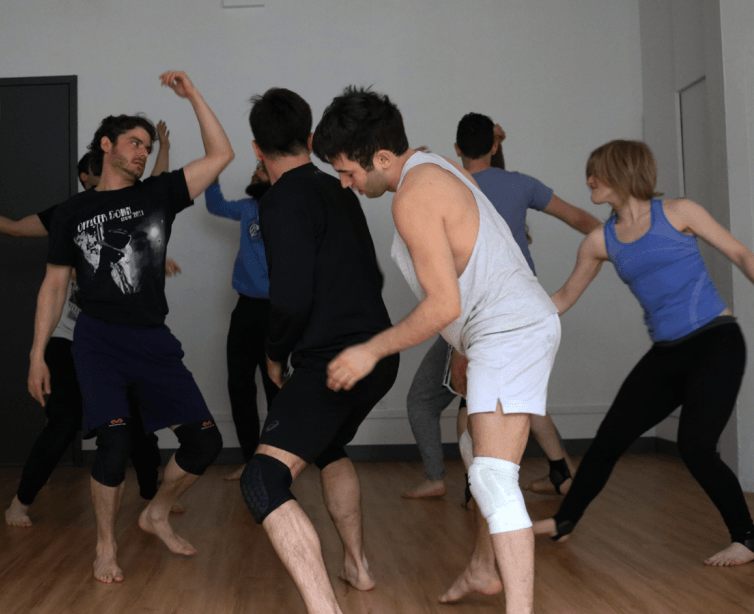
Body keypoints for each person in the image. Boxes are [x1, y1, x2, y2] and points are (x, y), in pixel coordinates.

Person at [316, 87, 561, 614]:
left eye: (348, 171)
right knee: (477, 454)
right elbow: (472, 262)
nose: (345, 182)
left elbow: (443, 303)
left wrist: (370, 351)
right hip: (497, 330)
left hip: (508, 332)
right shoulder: (430, 161)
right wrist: (462, 347)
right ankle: (482, 566)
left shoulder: (412, 197)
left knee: (494, 479)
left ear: (381, 158)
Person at [29, 71, 233, 583]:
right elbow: (54, 285)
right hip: (97, 340)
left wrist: (193, 97)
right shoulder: (72, 212)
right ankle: (105, 546)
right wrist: (36, 354)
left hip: (153, 341)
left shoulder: (159, 194)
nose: (143, 152)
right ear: (106, 145)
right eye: (134, 143)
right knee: (115, 447)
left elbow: (221, 155)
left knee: (205, 443)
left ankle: (156, 511)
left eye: (148, 145)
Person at [533, 139, 754, 567]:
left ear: (620, 172)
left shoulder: (679, 212)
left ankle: (746, 537)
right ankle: (565, 521)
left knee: (695, 446)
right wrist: (508, 313)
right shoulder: (600, 240)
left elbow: (741, 253)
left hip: (716, 342)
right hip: (667, 354)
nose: (588, 180)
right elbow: (561, 298)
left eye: (595, 172)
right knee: (609, 439)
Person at [0, 136, 182, 527]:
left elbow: (156, 193)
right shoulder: (69, 214)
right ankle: (20, 502)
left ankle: (151, 498)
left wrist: (148, 255)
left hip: (114, 339)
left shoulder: (133, 210)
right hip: (68, 339)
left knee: (139, 423)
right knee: (64, 422)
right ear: (88, 175)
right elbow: (16, 229)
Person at [236, 88, 399, 614]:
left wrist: (273, 353)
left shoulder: (280, 200)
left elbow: (290, 298)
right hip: (378, 356)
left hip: (333, 362)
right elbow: (369, 274)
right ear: (309, 139)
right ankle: (358, 565)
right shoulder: (341, 188)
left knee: (262, 478)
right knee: (327, 447)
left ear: (257, 149)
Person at [403, 118, 600, 501]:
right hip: (528, 309)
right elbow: (579, 218)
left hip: (480, 314)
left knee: (466, 399)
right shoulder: (520, 183)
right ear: (494, 146)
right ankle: (559, 471)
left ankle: (472, 486)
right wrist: (622, 240)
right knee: (516, 396)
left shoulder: (454, 185)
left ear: (457, 149)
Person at [204, 161, 273, 481]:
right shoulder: (247, 208)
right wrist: (211, 170)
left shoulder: (290, 209)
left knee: (277, 389)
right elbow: (215, 204)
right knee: (239, 385)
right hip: (245, 310)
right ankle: (251, 459)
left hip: (279, 313)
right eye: (254, 166)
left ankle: (277, 461)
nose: (253, 170)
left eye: (259, 167)